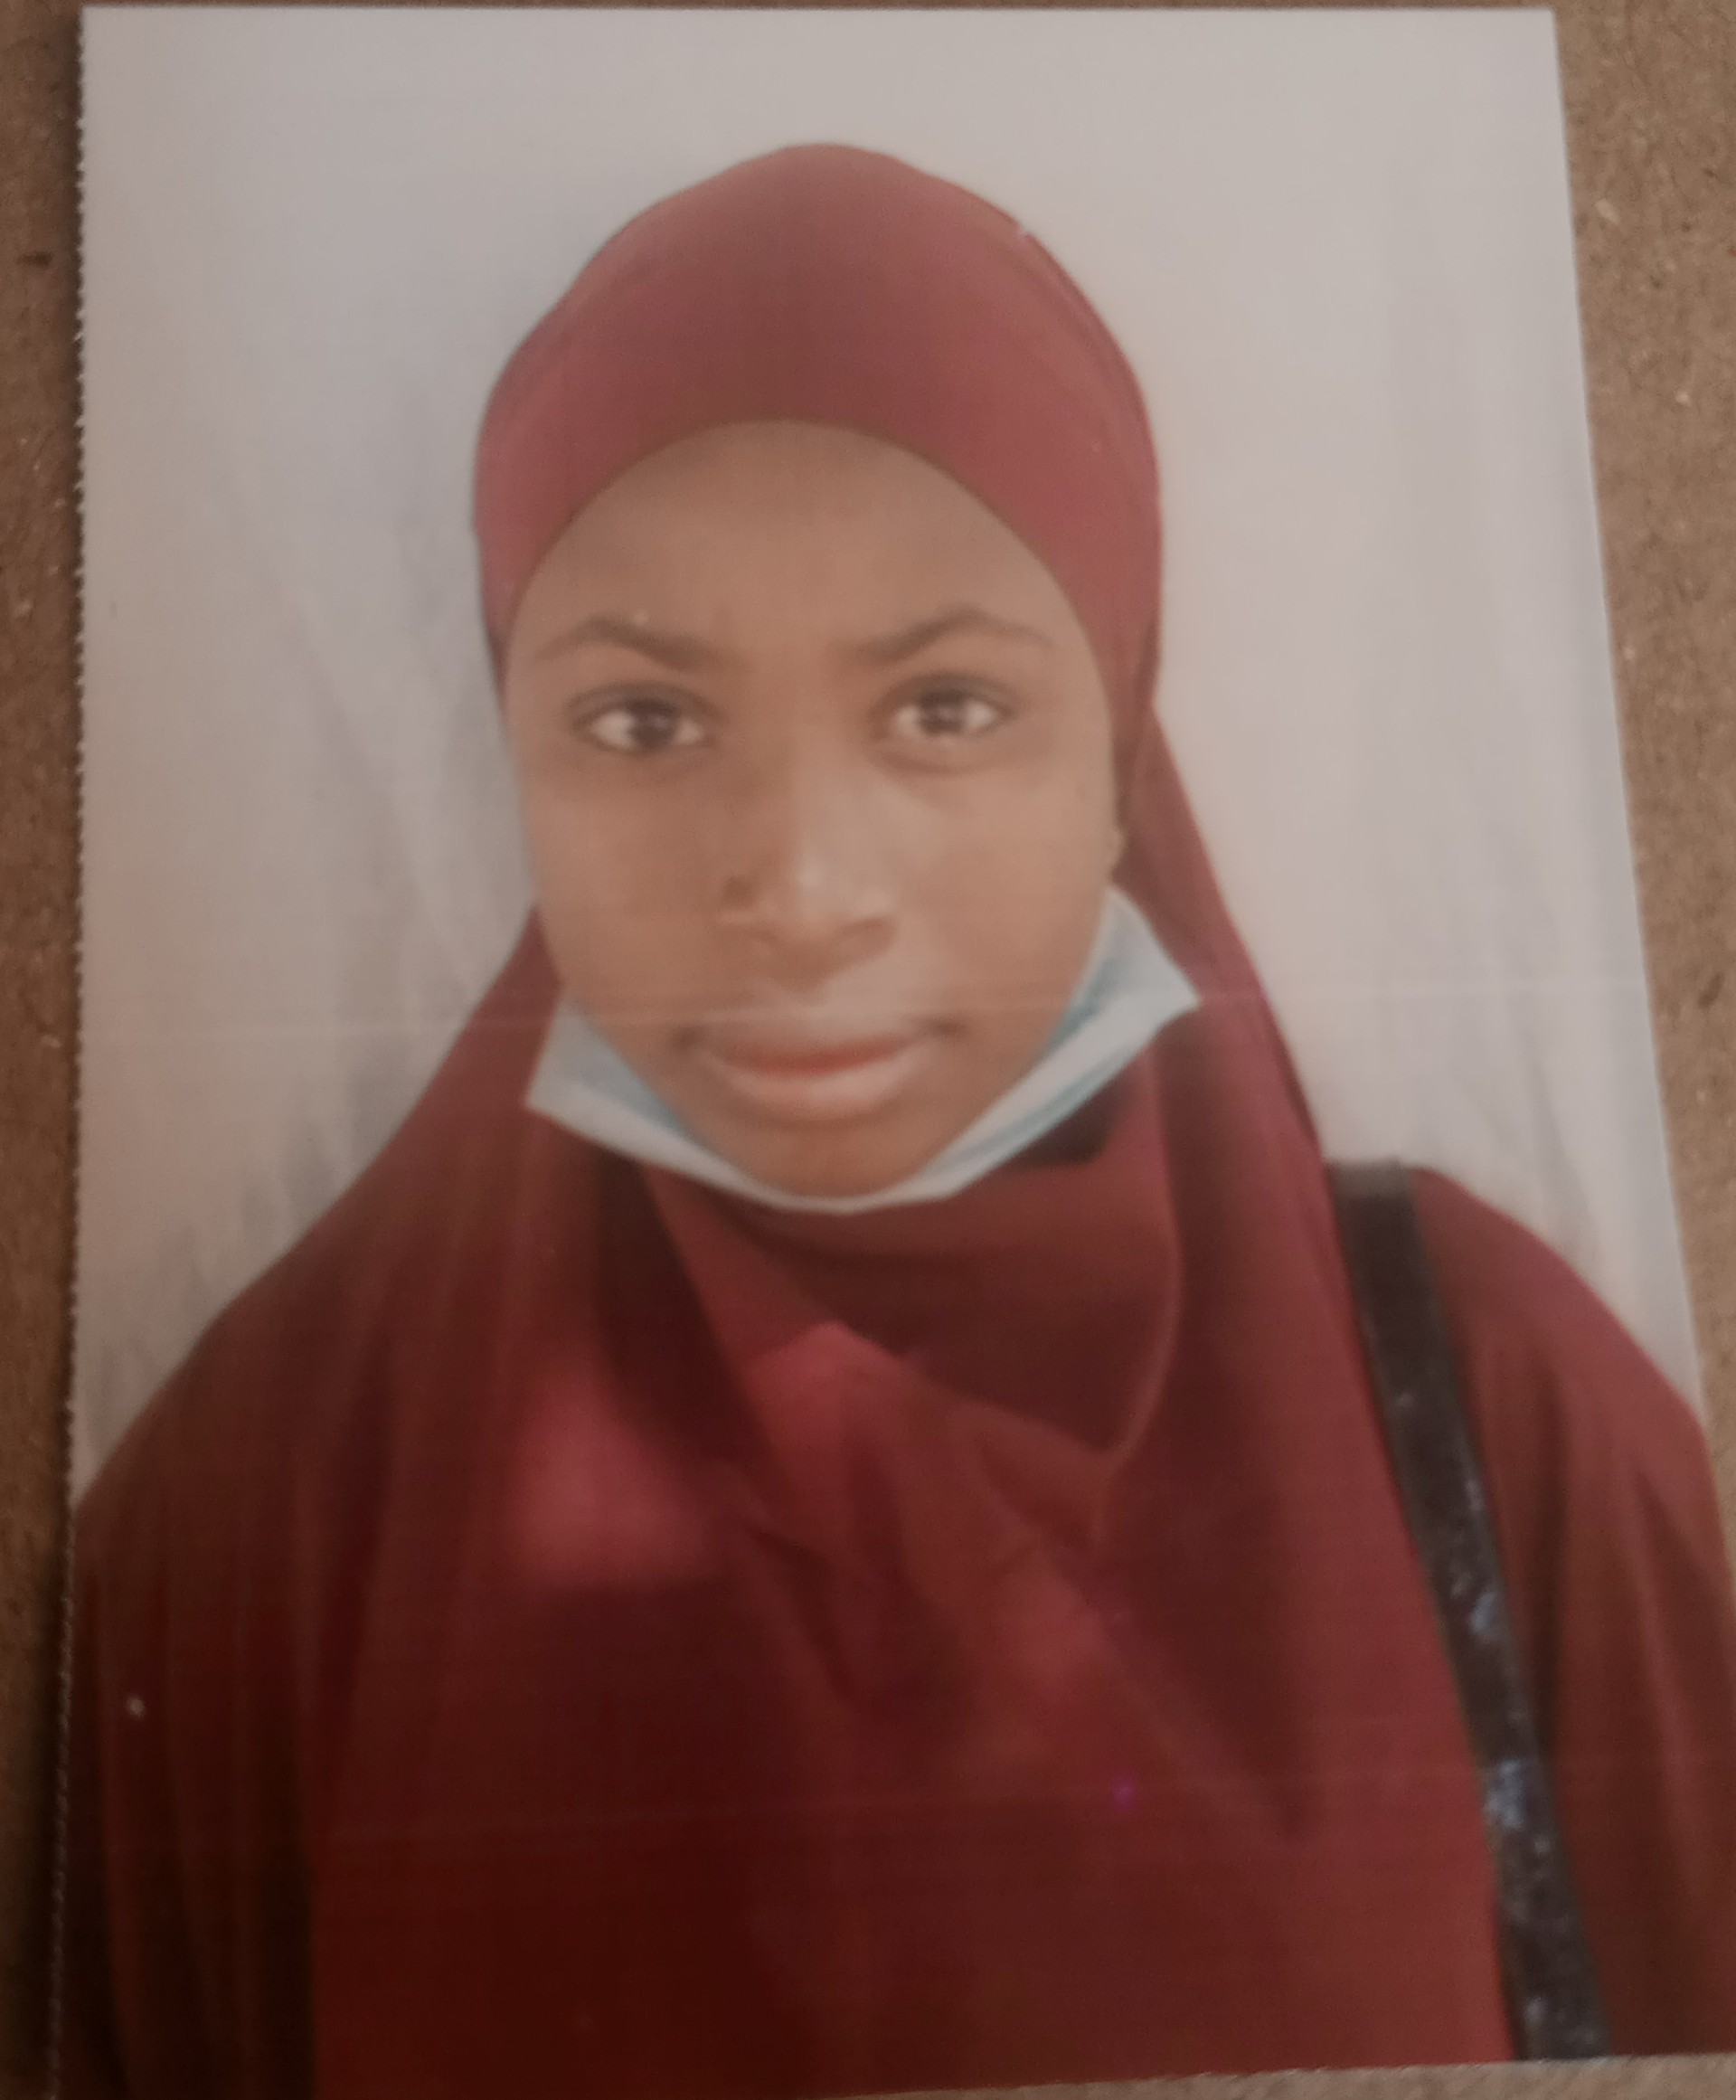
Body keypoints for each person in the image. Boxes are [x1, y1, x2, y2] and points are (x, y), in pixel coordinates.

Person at [61, 144, 1736, 2100]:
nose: (799, 887)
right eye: (644, 722)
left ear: (1119, 759)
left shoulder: (1488, 1406)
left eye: (945, 709)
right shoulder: (264, 1516)